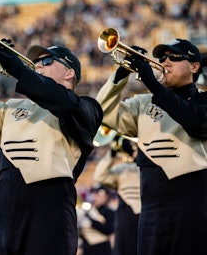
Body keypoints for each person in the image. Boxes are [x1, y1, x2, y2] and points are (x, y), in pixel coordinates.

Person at [0, 42, 103, 255]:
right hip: (8, 204)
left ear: (69, 72)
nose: (38, 65)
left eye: (46, 61)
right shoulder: (15, 107)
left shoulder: (86, 107)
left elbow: (64, 103)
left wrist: (20, 70)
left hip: (48, 204)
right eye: (35, 62)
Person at [95, 38, 207, 255]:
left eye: (174, 57)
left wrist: (151, 81)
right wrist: (121, 73)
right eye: (162, 58)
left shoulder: (203, 100)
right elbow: (103, 113)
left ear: (194, 67)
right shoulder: (143, 103)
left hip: (191, 202)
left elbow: (195, 123)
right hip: (151, 206)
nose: (165, 62)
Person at [93, 136, 140, 255]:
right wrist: (112, 153)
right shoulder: (123, 168)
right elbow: (99, 176)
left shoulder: (148, 168)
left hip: (147, 211)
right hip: (126, 214)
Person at [77, 184, 115, 255]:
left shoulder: (109, 212)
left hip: (101, 247)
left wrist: (91, 220)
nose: (95, 196)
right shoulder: (88, 209)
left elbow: (108, 230)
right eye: (94, 193)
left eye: (99, 194)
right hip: (87, 247)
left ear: (106, 196)